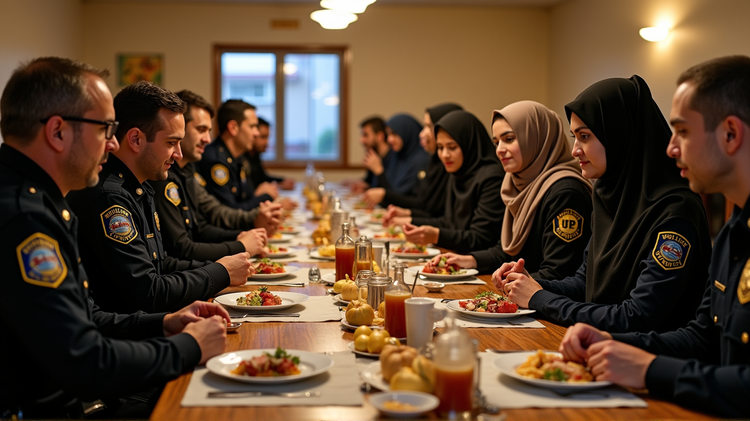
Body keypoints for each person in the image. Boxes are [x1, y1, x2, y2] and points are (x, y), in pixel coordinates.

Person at [0, 56, 229, 418]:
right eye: (105, 128)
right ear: (57, 131)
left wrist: (166, 322)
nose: (112, 143)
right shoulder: (22, 218)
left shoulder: (41, 199)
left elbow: (89, 317)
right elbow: (84, 360)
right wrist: (188, 347)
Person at [558, 55, 750, 418]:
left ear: (730, 134)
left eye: (684, 132)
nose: (670, 147)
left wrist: (648, 369)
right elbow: (701, 338)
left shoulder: (680, 210)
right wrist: (610, 341)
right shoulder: (733, 232)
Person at [496, 75, 711, 334]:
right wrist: (527, 283)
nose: (575, 150)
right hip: (598, 346)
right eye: (574, 137)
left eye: (585, 136)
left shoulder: (676, 210)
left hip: (643, 362)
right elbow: (584, 283)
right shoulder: (608, 194)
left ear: (619, 134)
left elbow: (636, 317)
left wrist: (539, 298)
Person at [68, 82, 254, 314]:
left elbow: (161, 264)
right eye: (171, 143)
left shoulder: (141, 187)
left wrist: (221, 267)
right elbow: (148, 292)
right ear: (135, 139)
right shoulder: (110, 198)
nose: (179, 154)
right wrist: (220, 272)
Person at [434, 101, 593, 277]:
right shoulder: (519, 183)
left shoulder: (565, 192)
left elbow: (559, 272)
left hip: (545, 299)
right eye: (496, 142)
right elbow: (510, 251)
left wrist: (506, 285)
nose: (500, 150)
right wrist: (471, 260)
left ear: (536, 138)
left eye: (509, 139)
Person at [150, 89, 270, 262]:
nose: (207, 138)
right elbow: (181, 248)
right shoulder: (161, 175)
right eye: (201, 129)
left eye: (208, 130)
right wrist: (241, 245)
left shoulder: (187, 170)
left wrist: (244, 235)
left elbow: (202, 226)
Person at [400, 110, 506, 253]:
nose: (445, 155)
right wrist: (411, 222)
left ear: (469, 144)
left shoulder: (492, 178)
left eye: (452, 147)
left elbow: (481, 238)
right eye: (440, 147)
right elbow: (449, 222)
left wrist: (437, 235)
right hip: (459, 256)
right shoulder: (457, 171)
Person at [373, 103, 458, 217]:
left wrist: (380, 178)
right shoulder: (399, 157)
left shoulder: (424, 161)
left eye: (428, 126)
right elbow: (425, 205)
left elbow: (430, 210)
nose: (422, 134)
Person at [196, 99, 278, 210]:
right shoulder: (215, 161)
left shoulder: (239, 158)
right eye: (252, 126)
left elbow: (248, 197)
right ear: (233, 128)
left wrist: (259, 195)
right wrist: (265, 196)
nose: (256, 133)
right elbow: (230, 213)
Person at [248, 117, 295, 190]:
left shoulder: (255, 154)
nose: (267, 142)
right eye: (263, 137)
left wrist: (282, 180)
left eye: (267, 137)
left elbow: (262, 177)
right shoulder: (242, 158)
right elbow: (252, 188)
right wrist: (280, 186)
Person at [349, 116, 392, 194]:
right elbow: (371, 183)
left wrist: (379, 171)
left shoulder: (394, 158)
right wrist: (364, 186)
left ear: (380, 136)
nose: (361, 140)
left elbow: (392, 192)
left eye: (365, 135)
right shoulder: (374, 156)